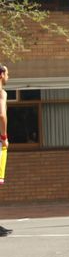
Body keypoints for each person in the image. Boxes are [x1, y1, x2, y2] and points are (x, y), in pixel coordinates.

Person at [0, 65, 11, 236]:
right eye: (8, 73)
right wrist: (4, 137)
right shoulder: (1, 92)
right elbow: (1, 114)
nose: (9, 76)